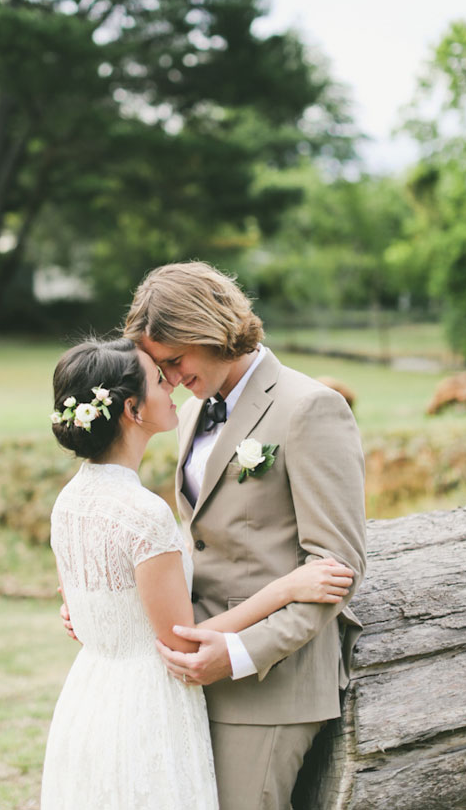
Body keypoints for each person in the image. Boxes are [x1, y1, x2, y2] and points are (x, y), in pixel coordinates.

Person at [42, 337, 355, 810]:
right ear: (132, 409)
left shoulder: (69, 501)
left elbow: (89, 594)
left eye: (169, 364)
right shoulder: (144, 508)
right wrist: (288, 586)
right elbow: (179, 639)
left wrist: (97, 612)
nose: (169, 382)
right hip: (155, 693)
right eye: (157, 376)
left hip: (96, 700)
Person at [122, 262, 368, 810]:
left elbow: (336, 569)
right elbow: (201, 540)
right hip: (196, 672)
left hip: (271, 687)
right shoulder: (191, 413)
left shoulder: (309, 408)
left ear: (209, 330)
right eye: (159, 366)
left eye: (173, 360)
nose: (167, 377)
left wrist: (237, 653)